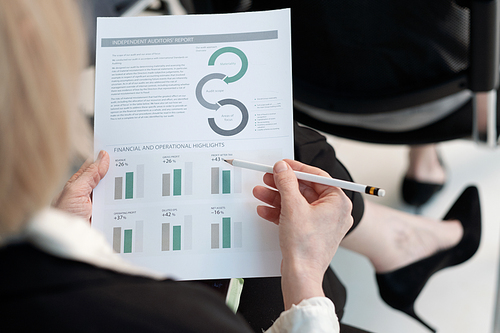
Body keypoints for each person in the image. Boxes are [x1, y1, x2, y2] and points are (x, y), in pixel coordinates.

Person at [0, 1, 481, 333]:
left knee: (289, 154)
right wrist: (305, 278)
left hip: (337, 84)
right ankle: (403, 239)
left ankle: (399, 244)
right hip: (425, 88)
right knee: (295, 155)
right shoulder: (161, 316)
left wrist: (60, 234)